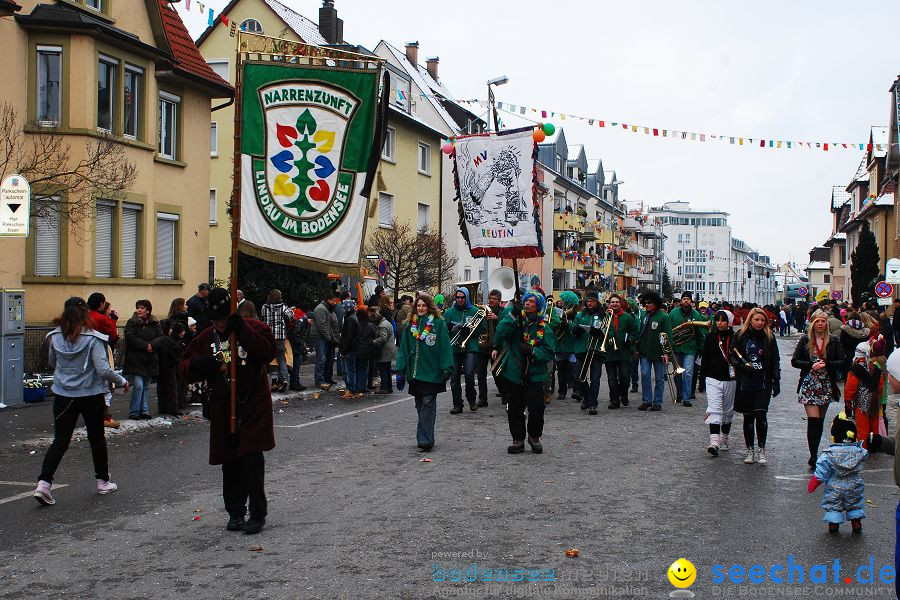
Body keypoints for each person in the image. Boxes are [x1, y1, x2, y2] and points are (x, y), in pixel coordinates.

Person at [182, 287, 276, 534]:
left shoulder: (254, 328)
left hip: (252, 404)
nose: (220, 325)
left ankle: (257, 512)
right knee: (230, 461)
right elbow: (183, 367)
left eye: (224, 320)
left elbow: (267, 353)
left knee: (251, 458)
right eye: (216, 321)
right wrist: (199, 364)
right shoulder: (205, 337)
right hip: (224, 407)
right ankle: (235, 512)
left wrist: (242, 330)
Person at [33, 297, 130, 506]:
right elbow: (103, 369)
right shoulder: (94, 339)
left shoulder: (53, 337)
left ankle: (43, 484)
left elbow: (51, 363)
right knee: (96, 438)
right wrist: (121, 380)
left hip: (63, 394)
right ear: (85, 314)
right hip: (90, 394)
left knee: (60, 440)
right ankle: (102, 482)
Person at [492, 290, 556, 454]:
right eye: (526, 301)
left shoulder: (544, 328)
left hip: (534, 374)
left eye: (532, 301)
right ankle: (518, 439)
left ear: (538, 306)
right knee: (514, 408)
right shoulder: (514, 321)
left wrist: (533, 351)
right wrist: (513, 313)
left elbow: (549, 352)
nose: (527, 303)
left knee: (537, 408)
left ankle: (534, 436)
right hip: (514, 371)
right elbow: (499, 336)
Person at [395, 294, 453, 451]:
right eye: (418, 306)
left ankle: (425, 440)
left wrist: (447, 367)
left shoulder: (438, 324)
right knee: (420, 405)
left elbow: (445, 347)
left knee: (427, 403)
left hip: (432, 373)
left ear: (429, 307)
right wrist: (400, 370)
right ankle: (427, 436)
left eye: (423, 305)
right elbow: (403, 349)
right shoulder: (410, 326)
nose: (420, 308)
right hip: (416, 374)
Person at [792, 309, 845, 469]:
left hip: (826, 383)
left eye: (823, 321)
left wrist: (828, 364)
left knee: (820, 421)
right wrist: (810, 365)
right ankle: (813, 455)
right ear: (813, 323)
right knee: (813, 420)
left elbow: (843, 361)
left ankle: (816, 450)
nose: (820, 324)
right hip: (810, 383)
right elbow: (795, 361)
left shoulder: (834, 341)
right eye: (818, 321)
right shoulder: (805, 340)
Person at [733, 307, 781, 465]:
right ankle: (749, 450)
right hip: (746, 382)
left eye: (763, 320)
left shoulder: (769, 337)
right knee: (748, 417)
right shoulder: (740, 336)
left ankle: (761, 448)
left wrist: (776, 381)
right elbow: (733, 356)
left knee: (761, 415)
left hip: (763, 382)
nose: (760, 323)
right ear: (750, 320)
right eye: (757, 320)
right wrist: (742, 366)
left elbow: (775, 360)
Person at [808, 413, 867, 534]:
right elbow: (865, 455)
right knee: (855, 503)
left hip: (835, 486)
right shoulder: (860, 452)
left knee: (834, 504)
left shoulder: (829, 454)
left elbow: (822, 471)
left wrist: (814, 483)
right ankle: (856, 522)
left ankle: (833, 524)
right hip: (854, 484)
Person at [698, 310, 737, 455]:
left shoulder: (735, 337)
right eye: (717, 320)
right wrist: (702, 381)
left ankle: (724, 438)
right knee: (714, 408)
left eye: (723, 320)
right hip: (712, 377)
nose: (719, 323)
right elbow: (705, 359)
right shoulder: (710, 338)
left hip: (731, 379)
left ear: (729, 322)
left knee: (727, 410)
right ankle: (714, 442)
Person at [123, 299, 164, 420]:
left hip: (150, 360)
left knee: (146, 386)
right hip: (135, 360)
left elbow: (161, 337)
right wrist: (146, 346)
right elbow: (130, 338)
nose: (139, 310)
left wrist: (152, 344)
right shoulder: (132, 322)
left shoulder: (155, 323)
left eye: (142, 308)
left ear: (148, 310)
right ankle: (134, 411)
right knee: (139, 385)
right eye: (138, 307)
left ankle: (144, 410)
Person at [443, 287, 481, 414]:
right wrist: (449, 327)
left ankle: (471, 399)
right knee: (454, 377)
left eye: (462, 297)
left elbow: (482, 329)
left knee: (469, 374)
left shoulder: (475, 311)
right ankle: (457, 404)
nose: (459, 300)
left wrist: (470, 331)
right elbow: (442, 329)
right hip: (454, 348)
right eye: (458, 297)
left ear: (467, 297)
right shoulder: (449, 312)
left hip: (470, 346)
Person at [844, 338, 886, 450]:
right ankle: (874, 446)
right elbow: (880, 385)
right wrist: (879, 396)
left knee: (862, 427)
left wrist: (848, 399)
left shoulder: (855, 369)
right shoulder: (876, 368)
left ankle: (863, 447)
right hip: (875, 400)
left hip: (861, 402)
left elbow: (851, 386)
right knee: (874, 424)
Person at [87, 292, 121, 428]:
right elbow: (113, 336)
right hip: (100, 351)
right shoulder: (101, 319)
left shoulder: (83, 317)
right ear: (101, 304)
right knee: (104, 384)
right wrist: (113, 319)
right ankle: (104, 415)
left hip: (82, 356)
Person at [634, 292, 672, 412]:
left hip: (659, 353)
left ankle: (657, 402)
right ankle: (646, 400)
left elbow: (668, 336)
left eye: (649, 302)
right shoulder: (644, 316)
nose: (647, 304)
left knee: (659, 378)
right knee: (645, 375)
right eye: (645, 302)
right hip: (645, 351)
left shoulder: (664, 317)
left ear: (656, 303)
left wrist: (667, 353)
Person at [667, 291, 705, 407]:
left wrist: (700, 348)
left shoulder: (696, 315)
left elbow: (699, 332)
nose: (686, 301)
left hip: (690, 348)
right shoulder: (673, 313)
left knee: (688, 373)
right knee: (677, 373)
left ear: (691, 301)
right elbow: (669, 330)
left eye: (688, 299)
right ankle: (680, 393)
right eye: (684, 299)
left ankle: (686, 397)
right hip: (676, 348)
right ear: (681, 300)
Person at [602, 294, 638, 410]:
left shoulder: (627, 317)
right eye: (612, 302)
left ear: (620, 303)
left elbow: (634, 331)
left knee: (625, 376)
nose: (615, 304)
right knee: (611, 378)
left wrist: (631, 340)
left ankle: (624, 394)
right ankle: (614, 400)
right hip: (609, 351)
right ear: (609, 304)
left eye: (617, 302)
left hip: (624, 351)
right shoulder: (605, 316)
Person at [571, 291, 604, 414]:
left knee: (595, 379)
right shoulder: (581, 314)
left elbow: (609, 330)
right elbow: (573, 330)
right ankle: (588, 398)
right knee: (581, 378)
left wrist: (600, 332)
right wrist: (577, 330)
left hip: (596, 350)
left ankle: (592, 404)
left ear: (597, 302)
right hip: (582, 349)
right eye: (588, 301)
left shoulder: (603, 314)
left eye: (592, 301)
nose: (589, 303)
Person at [260, 289, 295, 393]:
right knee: (281, 358)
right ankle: (284, 380)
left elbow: (262, 318)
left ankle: (274, 381)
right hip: (280, 336)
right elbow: (291, 317)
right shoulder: (283, 306)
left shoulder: (264, 307)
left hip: (268, 336)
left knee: (271, 359)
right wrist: (291, 311)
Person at [553, 291, 581, 402]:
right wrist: (560, 322)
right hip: (560, 346)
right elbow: (556, 328)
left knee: (575, 370)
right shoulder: (558, 312)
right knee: (561, 371)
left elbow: (576, 329)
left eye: (564, 300)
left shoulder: (576, 314)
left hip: (573, 346)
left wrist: (567, 323)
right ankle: (562, 391)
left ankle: (577, 391)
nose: (562, 302)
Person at [155, 319, 185, 416]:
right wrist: (177, 360)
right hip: (169, 366)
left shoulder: (161, 339)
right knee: (172, 387)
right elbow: (171, 353)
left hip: (162, 366)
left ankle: (163, 407)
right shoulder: (168, 340)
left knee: (162, 388)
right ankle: (172, 408)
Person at [311, 293, 341, 391]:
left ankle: (326, 379)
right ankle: (319, 381)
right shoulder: (321, 309)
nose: (335, 303)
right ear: (328, 300)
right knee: (321, 359)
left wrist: (332, 338)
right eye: (333, 301)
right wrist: (329, 338)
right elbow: (322, 326)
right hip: (320, 337)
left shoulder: (327, 308)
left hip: (325, 337)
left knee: (327, 359)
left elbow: (329, 326)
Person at [371, 304, 397, 395]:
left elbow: (383, 338)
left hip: (385, 351)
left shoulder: (382, 326)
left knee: (383, 370)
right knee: (387, 369)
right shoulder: (386, 322)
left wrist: (373, 342)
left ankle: (384, 388)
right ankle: (389, 387)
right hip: (390, 350)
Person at [338, 303, 360, 398]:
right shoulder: (352, 318)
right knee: (351, 369)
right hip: (352, 347)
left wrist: (344, 349)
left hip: (350, 348)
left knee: (349, 370)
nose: (342, 310)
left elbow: (348, 336)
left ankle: (351, 389)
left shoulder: (350, 320)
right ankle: (352, 389)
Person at [354, 307, 376, 398]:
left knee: (355, 368)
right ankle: (362, 386)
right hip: (366, 350)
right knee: (363, 369)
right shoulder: (370, 326)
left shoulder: (355, 325)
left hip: (356, 349)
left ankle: (355, 386)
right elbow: (374, 336)